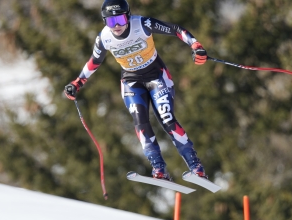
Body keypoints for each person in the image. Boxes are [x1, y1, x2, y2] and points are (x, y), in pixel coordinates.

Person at [64, 0, 208, 181]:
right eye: (110, 21)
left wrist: (196, 46)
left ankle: (196, 167)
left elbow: (176, 30)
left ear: (129, 16)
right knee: (140, 122)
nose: (116, 26)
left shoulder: (142, 24)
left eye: (121, 20)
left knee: (167, 119)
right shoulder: (104, 37)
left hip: (156, 76)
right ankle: (159, 169)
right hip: (131, 81)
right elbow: (94, 61)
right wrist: (78, 82)